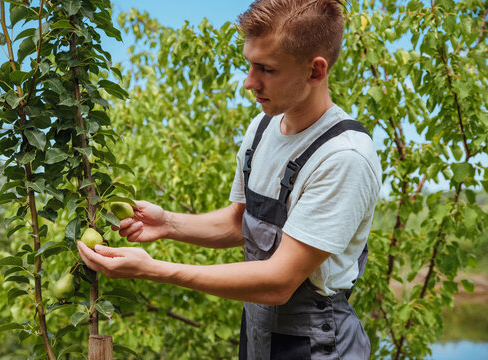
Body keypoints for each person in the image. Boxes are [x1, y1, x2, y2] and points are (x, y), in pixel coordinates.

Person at [77, 0, 382, 358]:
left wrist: (154, 269)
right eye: (249, 64)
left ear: (316, 71)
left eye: (265, 69)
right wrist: (168, 223)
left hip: (316, 344)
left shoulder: (344, 157)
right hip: (257, 332)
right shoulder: (263, 127)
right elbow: (241, 221)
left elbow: (279, 282)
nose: (248, 83)